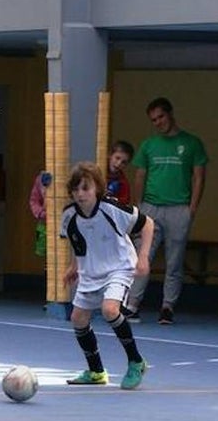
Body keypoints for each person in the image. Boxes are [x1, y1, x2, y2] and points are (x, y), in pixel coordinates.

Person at [60, 162, 154, 390]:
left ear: (97, 189)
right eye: (76, 189)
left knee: (110, 310)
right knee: (78, 318)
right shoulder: (69, 215)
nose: (80, 194)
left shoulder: (111, 209)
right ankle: (96, 372)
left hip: (119, 267)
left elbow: (148, 224)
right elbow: (78, 242)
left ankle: (136, 361)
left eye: (86, 188)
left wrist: (143, 257)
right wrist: (74, 266)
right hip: (90, 271)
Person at [123, 97, 208, 325]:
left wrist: (192, 209)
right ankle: (132, 305)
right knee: (142, 256)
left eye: (160, 117)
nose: (158, 122)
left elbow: (199, 177)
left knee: (175, 261)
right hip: (151, 208)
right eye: (153, 120)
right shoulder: (149, 145)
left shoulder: (192, 143)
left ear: (170, 114)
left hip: (179, 208)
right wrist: (140, 206)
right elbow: (140, 176)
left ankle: (167, 307)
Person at [28, 170, 52, 260]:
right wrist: (40, 213)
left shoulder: (64, 177)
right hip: (44, 223)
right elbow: (33, 200)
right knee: (44, 256)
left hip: (62, 223)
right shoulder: (41, 178)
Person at [105, 140, 134, 205]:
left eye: (124, 162)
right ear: (109, 155)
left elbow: (123, 204)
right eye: (117, 158)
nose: (119, 163)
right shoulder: (97, 172)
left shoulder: (123, 183)